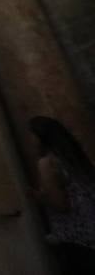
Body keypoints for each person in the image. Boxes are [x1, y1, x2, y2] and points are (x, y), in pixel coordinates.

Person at [29, 116, 95, 273]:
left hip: (76, 239)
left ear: (40, 137)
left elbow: (62, 204)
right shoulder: (77, 159)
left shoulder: (46, 163)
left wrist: (40, 198)